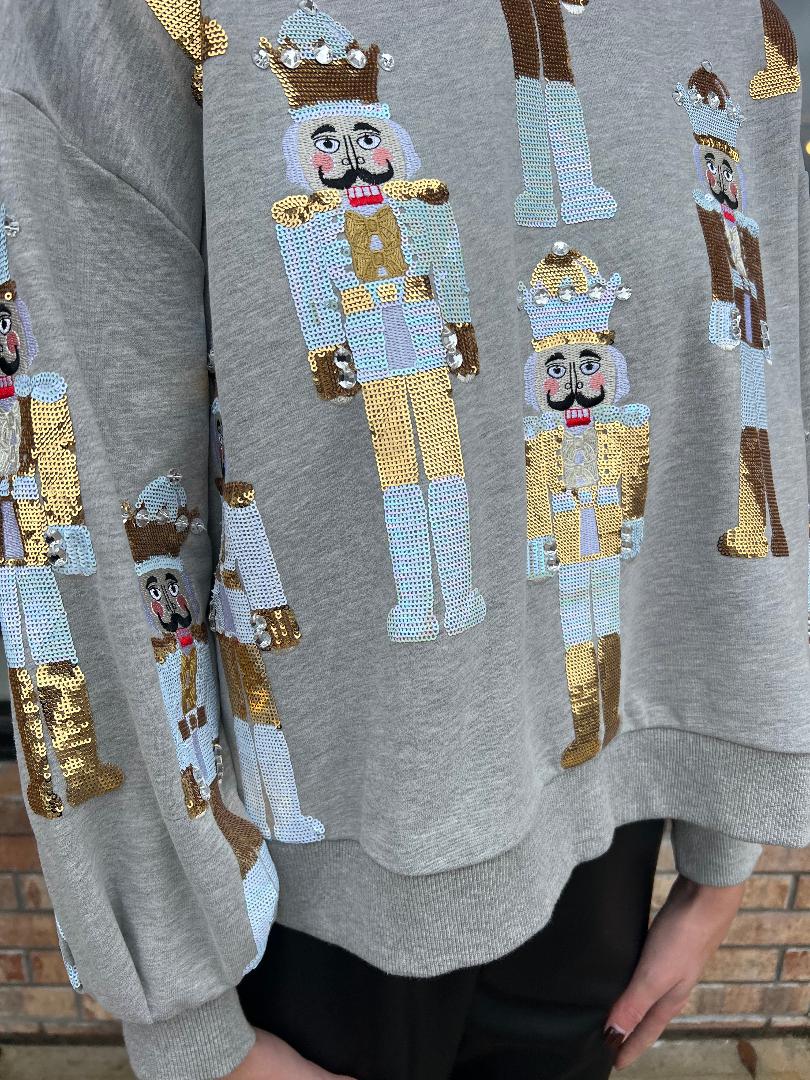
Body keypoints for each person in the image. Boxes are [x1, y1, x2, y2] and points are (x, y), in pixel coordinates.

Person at [0, 1, 808, 1079]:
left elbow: (755, 330)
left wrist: (723, 849)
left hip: (610, 801)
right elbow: (78, 482)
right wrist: (188, 1025)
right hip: (314, 868)